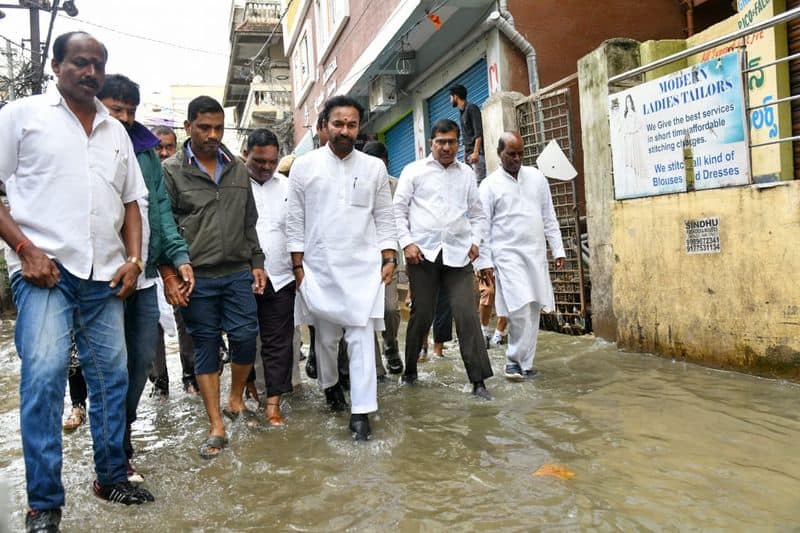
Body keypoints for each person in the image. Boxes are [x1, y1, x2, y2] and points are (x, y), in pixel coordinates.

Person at [0, 31, 155, 531]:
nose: (90, 73)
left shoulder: (115, 132)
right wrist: (25, 250)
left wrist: (135, 259)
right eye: (80, 63)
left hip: (105, 275)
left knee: (112, 378)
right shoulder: (21, 116)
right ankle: (44, 504)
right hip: (43, 272)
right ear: (56, 65)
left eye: (98, 65)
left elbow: (133, 203)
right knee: (44, 378)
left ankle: (110, 477)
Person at [97, 74, 195, 481]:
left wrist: (177, 257)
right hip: (99, 276)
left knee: (139, 362)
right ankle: (115, 452)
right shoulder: (89, 147)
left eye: (129, 111)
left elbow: (159, 212)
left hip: (144, 276)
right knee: (110, 366)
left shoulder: (147, 152)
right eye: (114, 110)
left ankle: (121, 434)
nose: (122, 118)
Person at [287, 95, 397, 441]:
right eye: (338, 124)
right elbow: (295, 219)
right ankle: (330, 384)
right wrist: (298, 264)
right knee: (328, 336)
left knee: (362, 336)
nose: (345, 131)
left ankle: (362, 412)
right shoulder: (304, 167)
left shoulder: (373, 168)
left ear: (358, 127)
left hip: (363, 268)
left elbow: (384, 216)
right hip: (319, 266)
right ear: (324, 126)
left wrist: (389, 256)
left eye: (351, 124)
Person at [162, 96, 266, 459]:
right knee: (205, 345)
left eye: (219, 128)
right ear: (188, 127)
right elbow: (165, 225)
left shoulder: (237, 168)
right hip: (196, 276)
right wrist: (172, 273)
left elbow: (248, 220)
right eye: (204, 127)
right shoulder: (172, 171)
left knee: (245, 336)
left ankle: (235, 400)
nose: (212, 135)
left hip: (237, 270)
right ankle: (216, 425)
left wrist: (257, 260)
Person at [394, 118, 493, 400]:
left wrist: (476, 242)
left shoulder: (466, 175)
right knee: (422, 313)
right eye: (441, 142)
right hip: (421, 255)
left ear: (458, 143)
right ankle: (410, 369)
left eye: (452, 142)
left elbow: (477, 214)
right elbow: (398, 210)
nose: (447, 147)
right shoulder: (413, 171)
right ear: (431, 143)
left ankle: (478, 380)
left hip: (458, 254)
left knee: (466, 314)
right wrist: (407, 243)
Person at [475, 132, 565, 380]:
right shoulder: (489, 185)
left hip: (535, 254)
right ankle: (513, 361)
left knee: (534, 307)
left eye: (520, 154)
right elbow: (482, 227)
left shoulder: (536, 178)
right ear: (499, 154)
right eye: (510, 154)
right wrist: (483, 262)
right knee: (519, 308)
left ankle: (526, 364)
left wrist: (557, 249)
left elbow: (549, 216)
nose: (516, 159)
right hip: (506, 256)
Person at [243, 128, 295, 425]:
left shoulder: (288, 187)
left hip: (282, 275)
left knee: (279, 342)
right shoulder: (233, 186)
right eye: (258, 160)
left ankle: (274, 403)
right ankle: (246, 388)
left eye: (271, 161)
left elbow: (298, 229)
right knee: (244, 339)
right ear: (245, 155)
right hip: (243, 277)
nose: (265, 167)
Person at [361, 141, 403, 377]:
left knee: (389, 308)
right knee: (365, 315)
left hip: (388, 258)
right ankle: (375, 369)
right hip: (361, 260)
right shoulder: (355, 185)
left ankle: (390, 344)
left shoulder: (396, 187)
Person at [449, 84, 486, 184]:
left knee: (480, 184)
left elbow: (478, 132)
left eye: (451, 97)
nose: (450, 100)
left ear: (456, 96)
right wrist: (465, 156)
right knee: (471, 185)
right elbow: (466, 136)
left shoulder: (471, 108)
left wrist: (476, 152)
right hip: (469, 155)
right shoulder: (461, 113)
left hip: (477, 155)